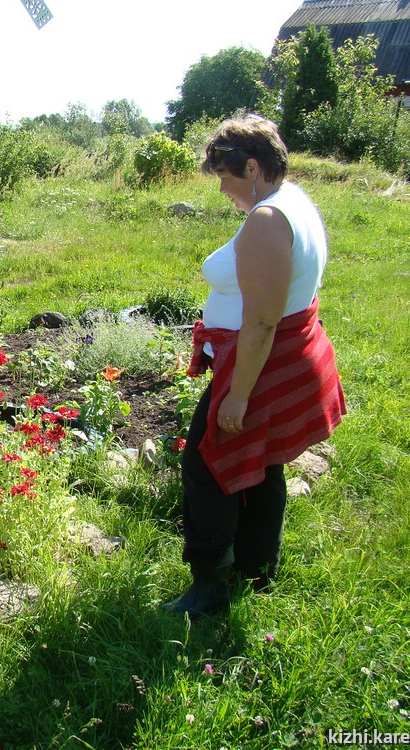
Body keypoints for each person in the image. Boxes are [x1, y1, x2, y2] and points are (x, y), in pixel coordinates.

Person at [164, 113, 347, 618]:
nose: (221, 188)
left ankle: (209, 588)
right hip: (275, 355)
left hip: (259, 362)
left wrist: (238, 395)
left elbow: (263, 320)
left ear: (250, 167)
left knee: (207, 464)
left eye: (224, 176)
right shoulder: (292, 201)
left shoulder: (268, 220)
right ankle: (257, 569)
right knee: (262, 463)